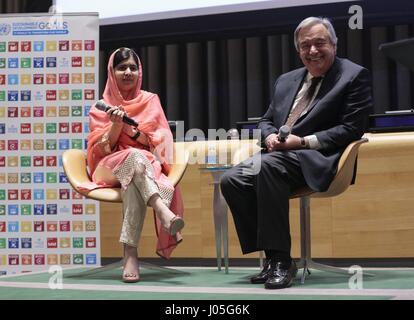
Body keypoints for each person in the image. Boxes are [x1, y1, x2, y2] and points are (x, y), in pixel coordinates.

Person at [220, 17, 373, 289]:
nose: (313, 51)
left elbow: (352, 128)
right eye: (306, 46)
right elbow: (266, 120)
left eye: (319, 43)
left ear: (334, 45)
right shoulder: (286, 80)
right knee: (231, 180)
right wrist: (268, 135)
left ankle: (281, 260)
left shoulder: (353, 75)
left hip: (318, 158)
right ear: (298, 50)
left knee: (267, 168)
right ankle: (270, 256)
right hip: (278, 157)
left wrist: (301, 142)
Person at [83, 47, 185, 283]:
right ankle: (162, 209)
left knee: (135, 167)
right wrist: (115, 126)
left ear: (140, 72)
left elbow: (162, 143)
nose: (128, 72)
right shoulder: (100, 107)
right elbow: (98, 149)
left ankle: (130, 253)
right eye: (121, 68)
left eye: (133, 67)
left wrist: (132, 131)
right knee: (133, 159)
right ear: (111, 72)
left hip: (142, 167)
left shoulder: (150, 100)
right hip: (107, 168)